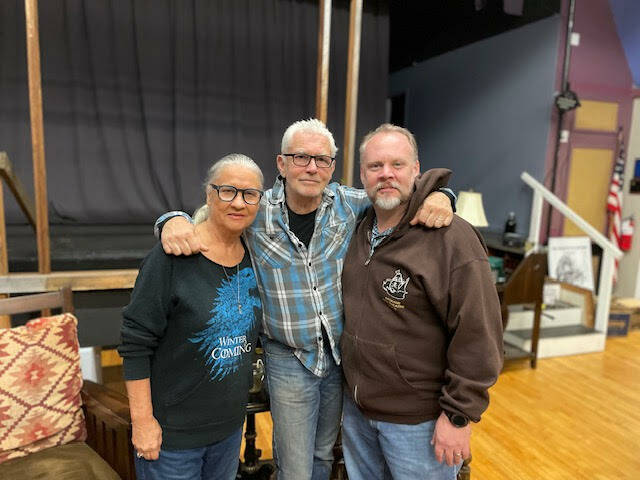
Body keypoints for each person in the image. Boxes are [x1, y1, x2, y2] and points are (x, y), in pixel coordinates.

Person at [154, 118, 456, 480]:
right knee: (295, 468)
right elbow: (203, 218)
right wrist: (170, 220)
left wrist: (442, 195)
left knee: (323, 458)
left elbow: (398, 191)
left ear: (332, 167)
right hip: (288, 358)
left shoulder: (349, 204)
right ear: (281, 164)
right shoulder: (256, 209)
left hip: (338, 357)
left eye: (321, 159)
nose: (311, 167)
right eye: (300, 157)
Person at [340, 124, 503, 480]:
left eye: (397, 164)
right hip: (357, 413)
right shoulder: (356, 228)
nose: (386, 174)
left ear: (416, 170)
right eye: (375, 166)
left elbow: (480, 335)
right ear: (362, 175)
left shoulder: (451, 238)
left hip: (419, 423)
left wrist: (458, 416)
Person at [118, 154, 265, 480]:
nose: (238, 203)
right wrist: (142, 422)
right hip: (173, 438)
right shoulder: (171, 257)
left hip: (227, 431)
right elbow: (135, 344)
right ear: (209, 194)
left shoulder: (255, 255)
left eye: (250, 194)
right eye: (228, 191)